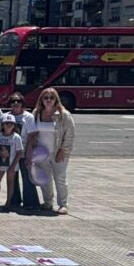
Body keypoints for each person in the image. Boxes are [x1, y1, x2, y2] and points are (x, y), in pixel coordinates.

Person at [26, 86, 76, 214]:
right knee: (45, 179)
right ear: (41, 99)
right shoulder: (36, 113)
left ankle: (63, 204)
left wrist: (63, 150)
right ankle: (48, 202)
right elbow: (31, 133)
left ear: (56, 100)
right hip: (41, 153)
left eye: (51, 98)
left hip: (58, 152)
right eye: (45, 98)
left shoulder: (64, 115)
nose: (48, 100)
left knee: (60, 178)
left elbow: (70, 135)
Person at [0, 113, 24, 210]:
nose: (9, 125)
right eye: (6, 123)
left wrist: (13, 166)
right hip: (0, 163)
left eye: (11, 123)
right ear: (3, 125)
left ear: (14, 125)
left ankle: (8, 202)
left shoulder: (16, 137)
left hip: (11, 164)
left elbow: (19, 152)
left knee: (10, 182)